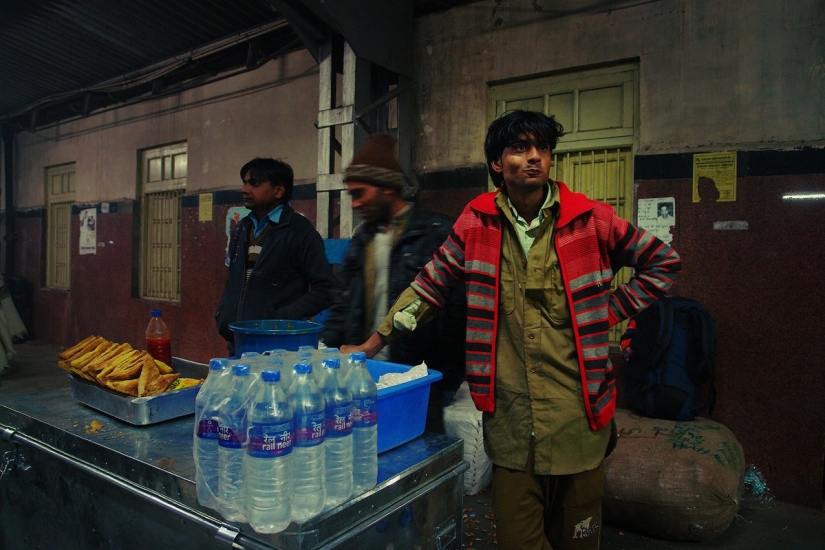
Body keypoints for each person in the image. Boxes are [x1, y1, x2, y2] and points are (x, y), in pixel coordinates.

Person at [343, 111, 681, 549]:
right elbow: (429, 287)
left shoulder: (590, 220)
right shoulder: (476, 223)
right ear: (498, 163)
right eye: (520, 148)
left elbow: (663, 263)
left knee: (578, 542)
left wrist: (609, 310)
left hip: (578, 421)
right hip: (512, 426)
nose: (534, 157)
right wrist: (373, 343)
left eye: (542, 148)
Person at [321, 133, 466, 432]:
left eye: (361, 193)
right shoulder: (362, 239)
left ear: (387, 189)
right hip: (363, 377)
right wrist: (328, 351)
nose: (356, 203)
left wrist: (444, 381)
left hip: (414, 381)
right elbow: (343, 303)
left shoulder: (436, 232)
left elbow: (456, 314)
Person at [216, 157, 337, 355]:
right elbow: (235, 281)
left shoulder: (299, 231)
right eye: (245, 183)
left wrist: (280, 320)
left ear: (278, 191)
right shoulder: (242, 228)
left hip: (280, 350)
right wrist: (223, 313)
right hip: (240, 344)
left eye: (254, 184)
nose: (245, 189)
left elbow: (326, 289)